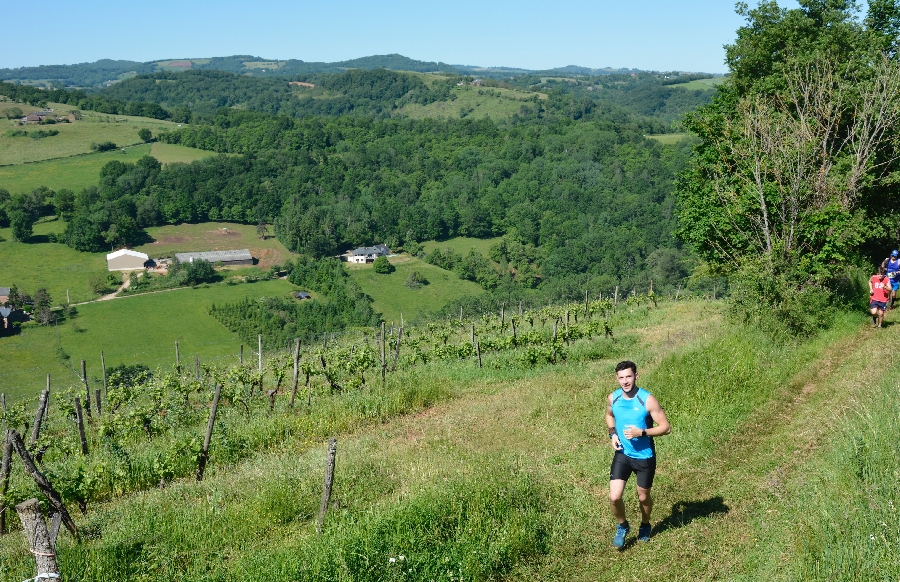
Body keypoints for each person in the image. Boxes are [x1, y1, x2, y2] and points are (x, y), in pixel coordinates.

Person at [606, 360, 670, 549]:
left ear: (636, 376)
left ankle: (645, 524)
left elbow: (666, 428)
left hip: (644, 456)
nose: (625, 381)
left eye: (629, 376)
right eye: (621, 377)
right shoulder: (613, 398)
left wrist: (641, 432)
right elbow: (609, 415)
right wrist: (612, 433)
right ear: (617, 379)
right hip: (623, 454)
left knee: (643, 497)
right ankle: (623, 526)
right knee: (614, 497)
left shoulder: (647, 399)